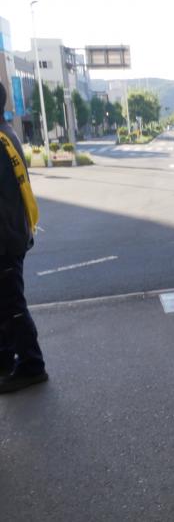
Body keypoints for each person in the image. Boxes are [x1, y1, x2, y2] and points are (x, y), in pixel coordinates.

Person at [0, 82, 48, 393]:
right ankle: (6, 359)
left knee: (11, 304)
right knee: (5, 303)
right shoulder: (7, 133)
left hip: (5, 238)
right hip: (14, 231)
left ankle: (31, 365)